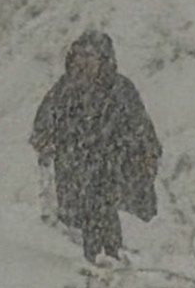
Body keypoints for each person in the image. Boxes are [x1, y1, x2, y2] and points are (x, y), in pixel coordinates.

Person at [31, 29, 162, 263]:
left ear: (104, 59)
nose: (83, 61)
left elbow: (141, 127)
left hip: (111, 167)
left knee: (102, 210)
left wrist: (143, 157)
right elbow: (44, 121)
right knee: (87, 214)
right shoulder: (65, 89)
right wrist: (47, 141)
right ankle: (101, 261)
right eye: (79, 54)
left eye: (90, 55)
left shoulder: (121, 89)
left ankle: (109, 259)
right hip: (75, 167)